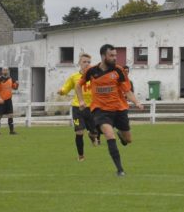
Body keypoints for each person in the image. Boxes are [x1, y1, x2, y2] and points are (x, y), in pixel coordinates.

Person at [76, 44, 144, 176]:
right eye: (111, 55)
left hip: (119, 109)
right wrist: (81, 101)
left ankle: (121, 136)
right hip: (100, 110)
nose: (114, 58)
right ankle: (120, 170)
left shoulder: (119, 70)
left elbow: (127, 91)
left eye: (115, 55)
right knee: (108, 135)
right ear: (103, 56)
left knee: (128, 140)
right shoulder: (91, 71)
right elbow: (78, 86)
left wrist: (137, 102)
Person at [58, 53, 100, 161]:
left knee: (94, 133)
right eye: (84, 62)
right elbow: (66, 88)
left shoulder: (95, 76)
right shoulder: (74, 77)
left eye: (89, 62)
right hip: (78, 108)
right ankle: (81, 156)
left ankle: (92, 136)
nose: (87, 64)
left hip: (92, 108)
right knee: (79, 132)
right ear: (79, 63)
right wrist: (62, 91)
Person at [0, 67, 18, 135]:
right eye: (4, 70)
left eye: (6, 70)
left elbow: (15, 88)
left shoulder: (11, 78)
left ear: (8, 71)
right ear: (2, 71)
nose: (5, 71)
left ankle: (11, 131)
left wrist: (17, 84)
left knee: (10, 115)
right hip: (1, 100)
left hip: (9, 100)